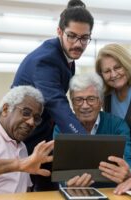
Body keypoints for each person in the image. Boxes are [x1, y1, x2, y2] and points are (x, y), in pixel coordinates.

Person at [11, 0, 94, 191]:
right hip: (24, 139)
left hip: (42, 137)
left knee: (51, 189)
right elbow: (56, 103)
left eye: (84, 38)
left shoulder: (65, 56)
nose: (78, 44)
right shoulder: (46, 59)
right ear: (59, 32)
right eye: (72, 36)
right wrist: (86, 142)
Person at [53, 73, 131, 187]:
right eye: (78, 99)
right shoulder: (62, 127)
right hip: (74, 194)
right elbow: (58, 170)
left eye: (91, 99)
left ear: (101, 101)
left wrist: (128, 172)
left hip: (111, 193)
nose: (85, 105)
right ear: (72, 102)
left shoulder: (117, 125)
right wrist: (66, 183)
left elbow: (128, 160)